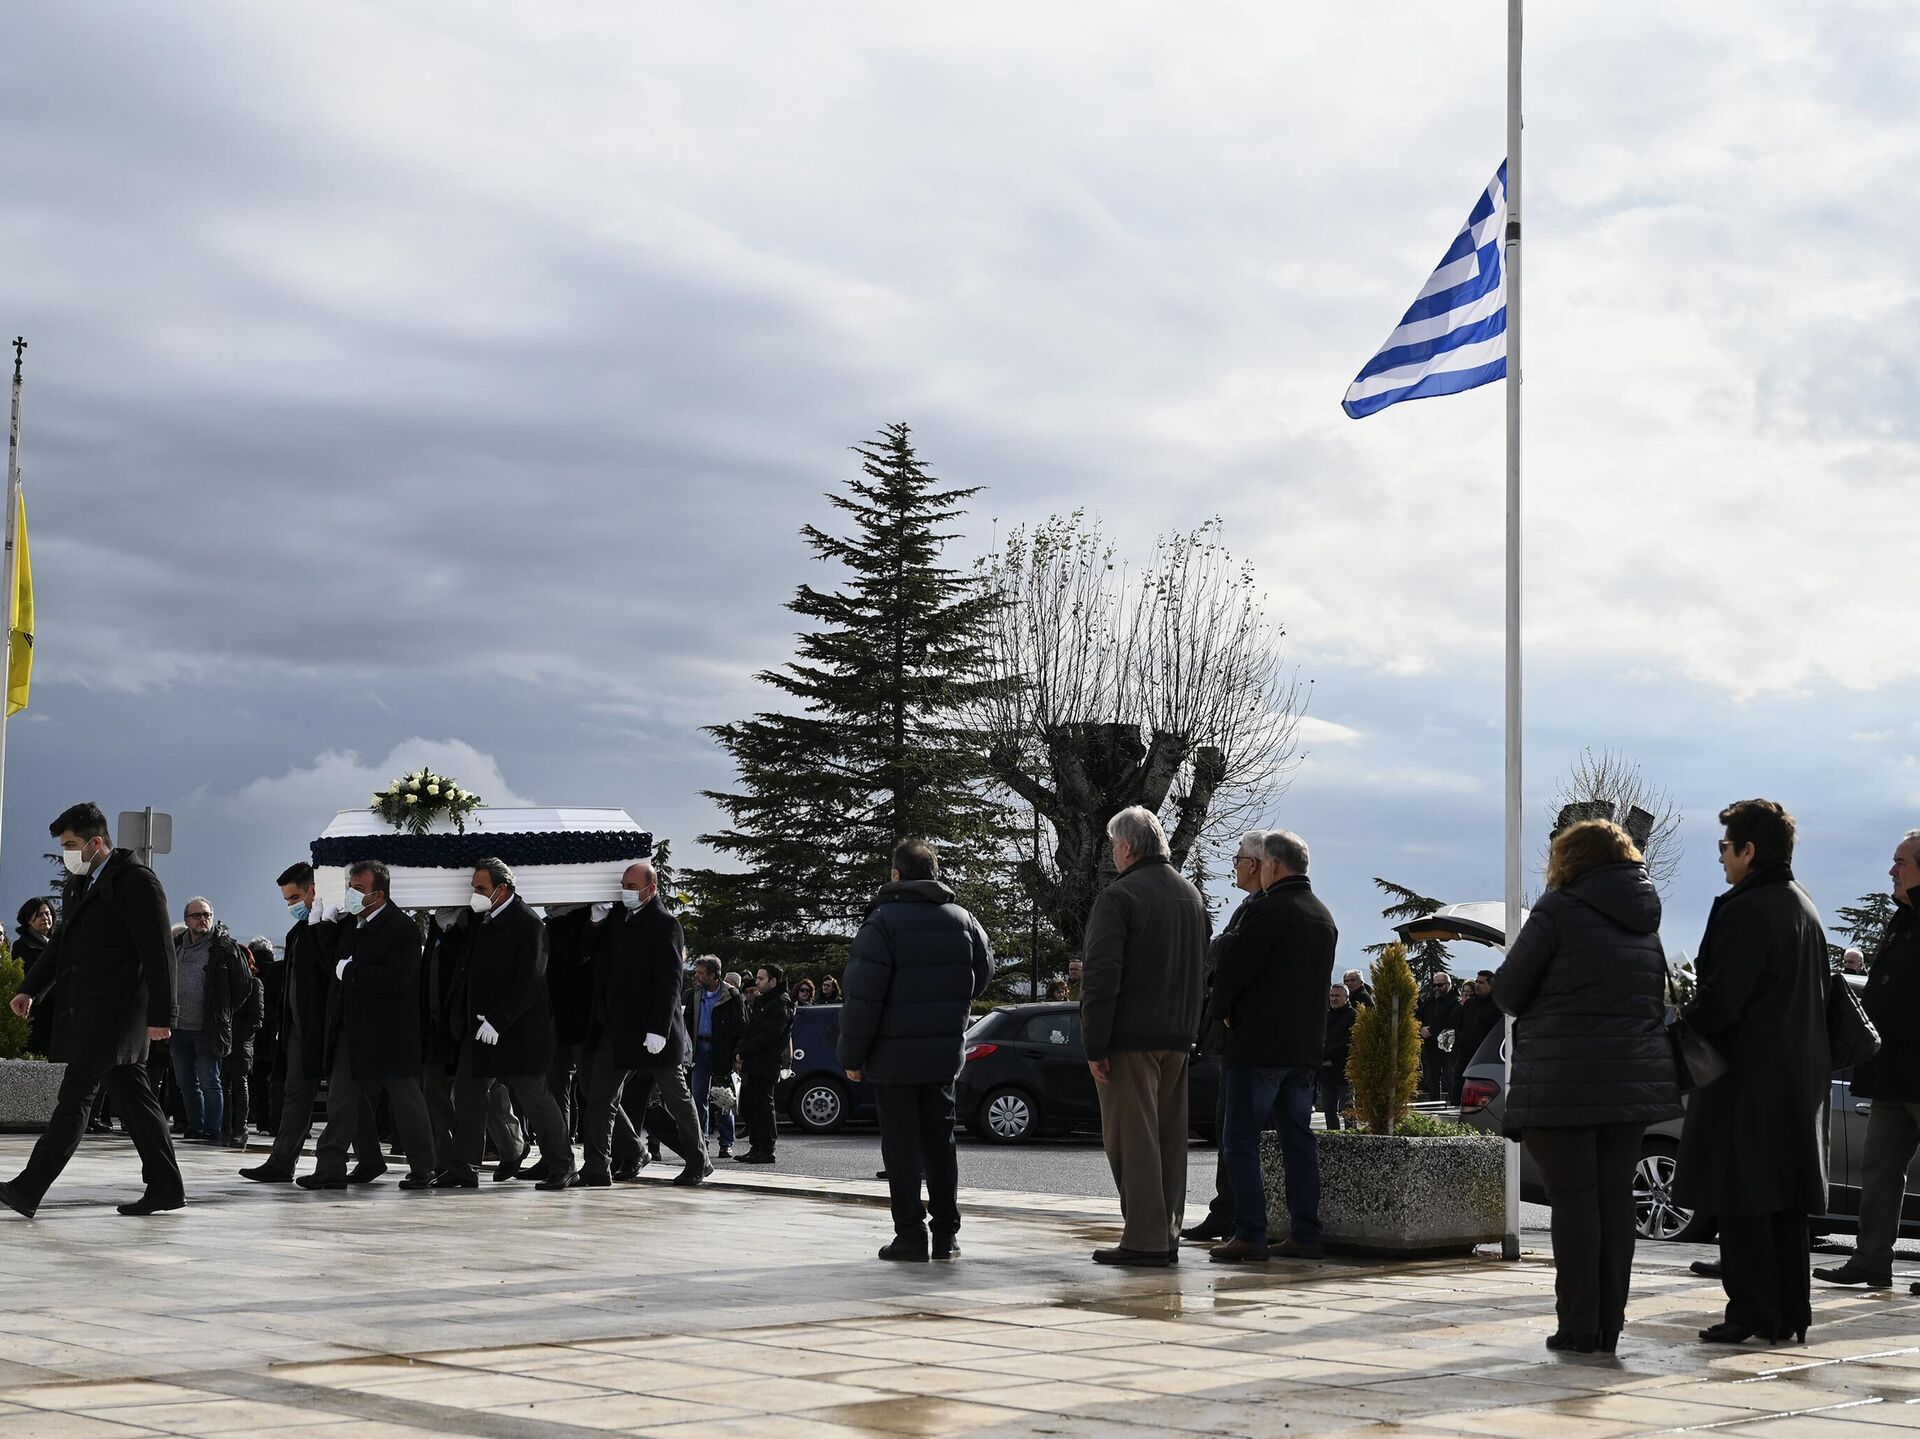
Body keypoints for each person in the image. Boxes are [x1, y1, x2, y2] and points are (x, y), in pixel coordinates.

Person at [1493, 820, 1683, 1354]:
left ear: (1570, 859)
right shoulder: (1646, 922)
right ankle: (1608, 1324)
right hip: (1630, 1087)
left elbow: (1508, 991)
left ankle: (1578, 1325)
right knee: (1614, 1201)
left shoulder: (1557, 910)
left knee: (1574, 1201)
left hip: (1565, 1083)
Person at [1675, 800, 1830, 1346]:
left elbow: (1723, 1002)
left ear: (1749, 850)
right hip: (1795, 1078)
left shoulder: (1746, 909)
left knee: (1741, 1199)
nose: (1720, 857)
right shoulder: (1802, 905)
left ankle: (1751, 1313)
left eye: (1725, 846)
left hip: (1745, 1078)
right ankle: (1789, 1313)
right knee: (1784, 1204)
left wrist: (1684, 1013)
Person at [0, 802, 183, 1219]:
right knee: (136, 1100)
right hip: (91, 1011)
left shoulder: (136, 882)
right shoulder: (80, 884)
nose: (66, 853)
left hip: (116, 1014)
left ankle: (28, 1188)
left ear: (96, 842)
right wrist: (31, 989)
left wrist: (162, 1015)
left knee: (75, 1097)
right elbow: (62, 944)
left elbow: (159, 951)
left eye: (70, 844)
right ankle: (166, 1186)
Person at [840, 838, 995, 1262]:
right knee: (940, 1141)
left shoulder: (882, 922)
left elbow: (863, 997)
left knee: (901, 1146)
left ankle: (910, 1234)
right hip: (943, 1051)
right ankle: (946, 1234)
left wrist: (851, 1056)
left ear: (896, 874)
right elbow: (983, 974)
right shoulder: (963, 919)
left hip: (892, 1056)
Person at [1079, 805, 1209, 1267]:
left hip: (1130, 1038)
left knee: (1133, 1141)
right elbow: (1201, 969)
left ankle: (1144, 1239)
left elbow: (1100, 975)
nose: (1112, 853)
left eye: (1114, 845)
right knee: (1170, 1142)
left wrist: (1095, 1042)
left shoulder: (1119, 896)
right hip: (1177, 1036)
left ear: (1128, 847)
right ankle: (1166, 1234)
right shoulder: (1192, 896)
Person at [1203, 829, 1336, 1264]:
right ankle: (1306, 1233)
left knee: (1240, 1140)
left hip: (1258, 1046)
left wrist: (1223, 1011)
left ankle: (1250, 1233)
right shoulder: (1322, 916)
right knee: (1298, 1141)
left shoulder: (1267, 911)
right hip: (1303, 1050)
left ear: (1273, 865)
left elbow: (1234, 970)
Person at [1815, 831, 1920, 1292]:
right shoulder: (1902, 916)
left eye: (1901, 862)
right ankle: (1871, 1260)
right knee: (1879, 1168)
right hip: (1890, 1071)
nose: (1892, 870)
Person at [437, 860, 578, 1191]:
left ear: (502, 889)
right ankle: (463, 1166)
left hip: (518, 1031)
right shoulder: (482, 920)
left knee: (534, 1099)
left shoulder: (529, 924)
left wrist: (499, 1020)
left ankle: (563, 1165)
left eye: (481, 888)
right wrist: (447, 928)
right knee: (468, 1095)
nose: (475, 894)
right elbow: (468, 963)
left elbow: (530, 980)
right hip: (480, 1028)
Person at [298, 861, 438, 1191]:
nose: (351, 893)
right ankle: (331, 1167)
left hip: (391, 1031)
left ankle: (424, 1167)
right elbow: (332, 963)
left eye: (359, 889)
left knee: (406, 1101)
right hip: (352, 1028)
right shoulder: (352, 924)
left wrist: (353, 973)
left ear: (379, 894)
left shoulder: (402, 929)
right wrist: (322, 926)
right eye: (351, 886)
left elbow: (396, 978)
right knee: (342, 1098)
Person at [243, 863, 385, 1184]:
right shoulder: (297, 932)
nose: (291, 905)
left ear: (313, 890)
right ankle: (282, 1161)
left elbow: (333, 970)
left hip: (328, 1026)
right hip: (301, 1027)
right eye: (286, 900)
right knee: (298, 1092)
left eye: (294, 897)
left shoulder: (335, 927)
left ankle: (364, 1159)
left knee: (343, 1097)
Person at [583, 861, 707, 1186]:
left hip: (654, 1030)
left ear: (650, 890)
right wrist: (595, 922)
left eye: (631, 887)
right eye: (623, 885)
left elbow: (670, 981)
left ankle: (699, 1161)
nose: (625, 892)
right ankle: (596, 1166)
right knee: (601, 1097)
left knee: (678, 1098)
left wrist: (659, 1028)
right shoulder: (617, 919)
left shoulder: (666, 925)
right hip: (619, 1027)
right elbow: (591, 955)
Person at [1182, 830, 1267, 1245]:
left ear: (1255, 863)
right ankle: (1227, 1212)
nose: (1233, 864)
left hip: (1243, 1042)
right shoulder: (1249, 906)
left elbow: (1224, 957)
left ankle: (1236, 1218)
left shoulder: (1260, 909)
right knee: (1229, 1132)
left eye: (1237, 858)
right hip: (1230, 1040)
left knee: (1237, 1135)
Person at [169, 898, 255, 1144]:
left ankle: (212, 1129)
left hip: (208, 1028)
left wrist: (223, 1011)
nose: (203, 919)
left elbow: (244, 985)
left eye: (206, 915)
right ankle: (195, 1126)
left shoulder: (225, 947)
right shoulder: (176, 945)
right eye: (197, 915)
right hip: (178, 1027)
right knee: (185, 1082)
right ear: (186, 920)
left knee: (210, 1081)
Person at [734, 964, 795, 1164]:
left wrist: (743, 1052)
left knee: (763, 1106)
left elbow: (768, 1037)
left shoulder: (780, 1004)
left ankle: (767, 1149)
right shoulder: (764, 1001)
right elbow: (751, 1031)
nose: (757, 982)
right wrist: (740, 1052)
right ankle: (756, 1147)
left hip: (767, 1063)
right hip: (754, 1062)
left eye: (761, 978)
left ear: (773, 981)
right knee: (751, 1105)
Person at [684, 958, 744, 1158]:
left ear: (713, 975)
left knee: (724, 1098)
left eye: (701, 973)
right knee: (698, 1097)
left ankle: (726, 1143)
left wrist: (737, 1054)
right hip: (699, 1049)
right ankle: (702, 1140)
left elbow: (740, 1026)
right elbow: (687, 1023)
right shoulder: (694, 994)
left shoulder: (732, 995)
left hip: (722, 1051)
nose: (696, 976)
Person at [222, 941, 267, 1149]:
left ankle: (240, 1127)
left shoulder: (254, 983)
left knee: (239, 1083)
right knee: (224, 1084)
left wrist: (238, 1036)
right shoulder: (226, 983)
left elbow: (257, 1018)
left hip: (241, 1042)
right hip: (227, 1040)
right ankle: (227, 1127)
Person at [1452, 970, 1502, 1105]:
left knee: (1478, 1088)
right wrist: (1460, 1039)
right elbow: (1458, 1022)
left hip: (1483, 1055)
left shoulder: (1497, 1005)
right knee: (1458, 1085)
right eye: (1476, 981)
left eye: (1481, 982)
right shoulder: (1470, 1003)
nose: (1477, 985)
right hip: (1464, 1052)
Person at [14, 897, 55, 1059]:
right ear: (28, 920)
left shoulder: (59, 942)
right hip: (38, 1009)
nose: (45, 918)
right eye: (39, 915)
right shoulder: (22, 945)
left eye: (47, 914)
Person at [1416, 971, 1461, 1102]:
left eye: (1440, 985)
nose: (1437, 988)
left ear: (1449, 984)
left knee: (1450, 1078)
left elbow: (1449, 1020)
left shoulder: (1456, 1001)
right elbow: (1418, 1016)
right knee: (1432, 1079)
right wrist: (1421, 1028)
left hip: (1448, 1047)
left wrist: (1430, 1030)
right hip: (1431, 1046)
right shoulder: (1430, 1001)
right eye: (1434, 985)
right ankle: (1434, 1104)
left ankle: (1455, 1104)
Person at [1321, 984, 1356, 1130]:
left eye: (1337, 996)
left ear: (1346, 998)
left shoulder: (1353, 1016)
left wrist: (1328, 1056)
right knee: (1329, 1109)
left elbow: (1348, 1042)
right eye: (1331, 996)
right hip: (1325, 1069)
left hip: (1344, 1069)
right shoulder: (1326, 1015)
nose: (1333, 999)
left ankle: (1352, 1135)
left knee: (1347, 1108)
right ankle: (1332, 1135)